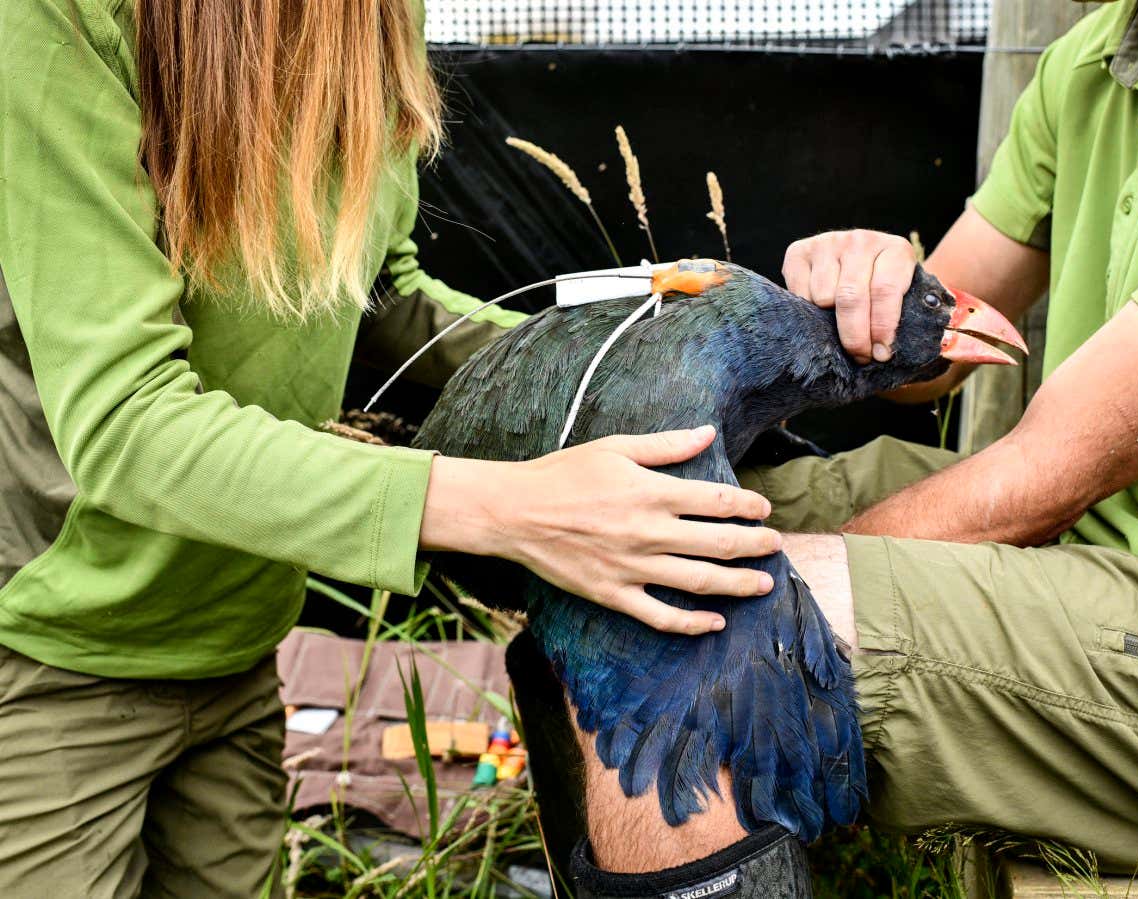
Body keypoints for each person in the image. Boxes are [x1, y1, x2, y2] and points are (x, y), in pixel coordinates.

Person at [568, 0, 1138, 895]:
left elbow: (1042, 480)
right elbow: (931, 360)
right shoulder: (1098, 59)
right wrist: (867, 291)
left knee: (698, 620)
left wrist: (798, 586)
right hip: (1101, 546)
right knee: (650, 527)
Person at [0, 1, 781, 895]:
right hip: (50, 656)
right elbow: (127, 423)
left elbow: (377, 295)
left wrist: (626, 363)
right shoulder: (59, 18)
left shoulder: (372, 16)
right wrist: (509, 511)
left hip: (238, 641)